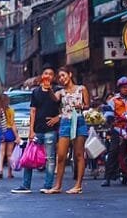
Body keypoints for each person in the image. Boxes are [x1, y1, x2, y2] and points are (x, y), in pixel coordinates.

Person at [12, 65, 61, 194]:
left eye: (51, 74)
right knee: (29, 157)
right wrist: (31, 131)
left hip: (51, 130)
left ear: (53, 77)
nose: (48, 76)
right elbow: (32, 111)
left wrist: (57, 117)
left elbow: (58, 103)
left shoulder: (57, 90)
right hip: (37, 129)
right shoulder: (36, 92)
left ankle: (48, 185)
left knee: (50, 159)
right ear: (42, 76)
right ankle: (26, 185)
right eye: (46, 73)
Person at [44, 65, 89, 194]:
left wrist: (82, 106)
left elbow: (87, 105)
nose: (62, 79)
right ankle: (57, 185)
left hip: (79, 120)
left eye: (63, 75)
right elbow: (54, 99)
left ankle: (78, 185)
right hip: (65, 122)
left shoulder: (82, 89)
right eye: (59, 77)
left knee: (79, 154)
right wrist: (49, 89)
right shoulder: (61, 92)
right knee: (61, 155)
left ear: (70, 74)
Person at [0, 94, 21, 179]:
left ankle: (0, 170)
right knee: (9, 154)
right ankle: (9, 173)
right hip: (9, 132)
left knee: (1, 153)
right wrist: (17, 136)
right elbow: (12, 124)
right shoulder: (11, 110)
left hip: (1, 132)